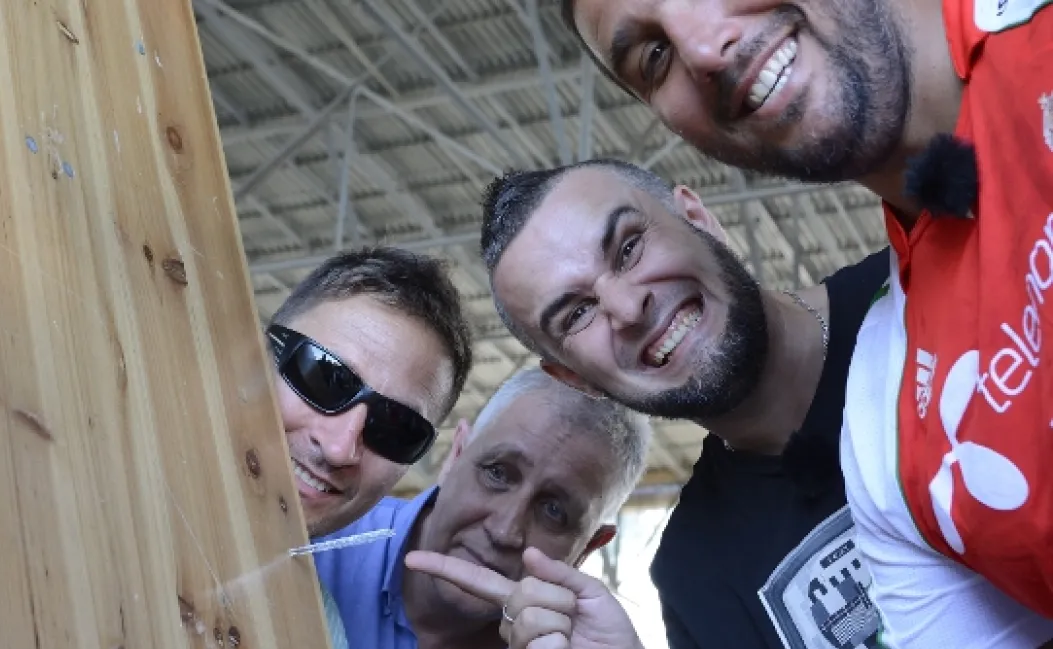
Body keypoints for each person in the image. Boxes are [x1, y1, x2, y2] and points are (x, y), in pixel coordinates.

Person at [555, 0, 1053, 645]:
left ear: (699, 219)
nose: (703, 48)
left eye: (628, 248)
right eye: (655, 56)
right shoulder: (888, 423)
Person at [476, 157, 891, 649]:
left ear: (698, 219)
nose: (628, 308)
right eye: (578, 313)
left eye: (628, 248)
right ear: (575, 378)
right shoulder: (695, 572)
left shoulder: (927, 288)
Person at [310, 367, 652, 649]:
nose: (504, 531)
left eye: (553, 511)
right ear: (456, 453)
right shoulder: (315, 544)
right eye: (497, 473)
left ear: (588, 548)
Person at [262, 246, 473, 649]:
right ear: (258, 352)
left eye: (396, 427)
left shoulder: (320, 629)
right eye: (325, 377)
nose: (340, 449)